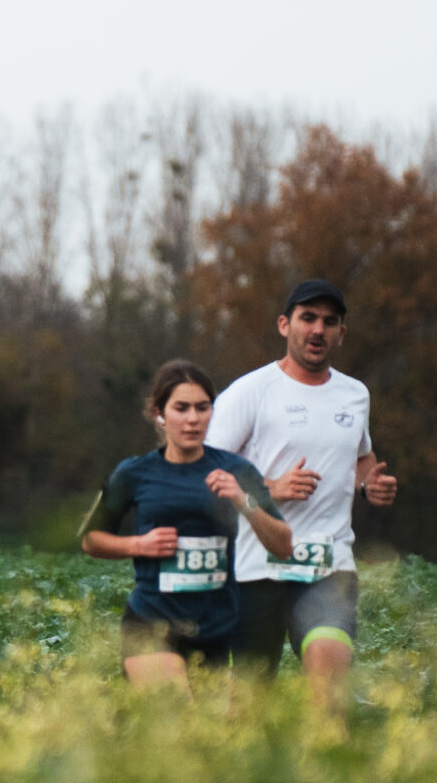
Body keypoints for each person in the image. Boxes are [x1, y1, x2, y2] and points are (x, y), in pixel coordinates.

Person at [205, 279, 399, 704]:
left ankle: (330, 767)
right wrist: (271, 488)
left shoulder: (354, 395)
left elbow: (362, 457)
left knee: (329, 695)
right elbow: (204, 469)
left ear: (341, 334)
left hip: (329, 564)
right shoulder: (250, 392)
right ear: (283, 325)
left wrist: (371, 485)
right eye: (307, 318)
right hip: (258, 569)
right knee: (248, 708)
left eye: (330, 322)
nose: (318, 330)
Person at [81, 360, 293, 687]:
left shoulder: (237, 470)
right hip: (150, 624)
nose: (193, 418)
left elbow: (283, 545)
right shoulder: (133, 473)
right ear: (159, 414)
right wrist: (138, 545)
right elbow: (90, 540)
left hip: (215, 632)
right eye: (181, 408)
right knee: (178, 714)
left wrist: (242, 500)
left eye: (202, 407)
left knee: (200, 736)